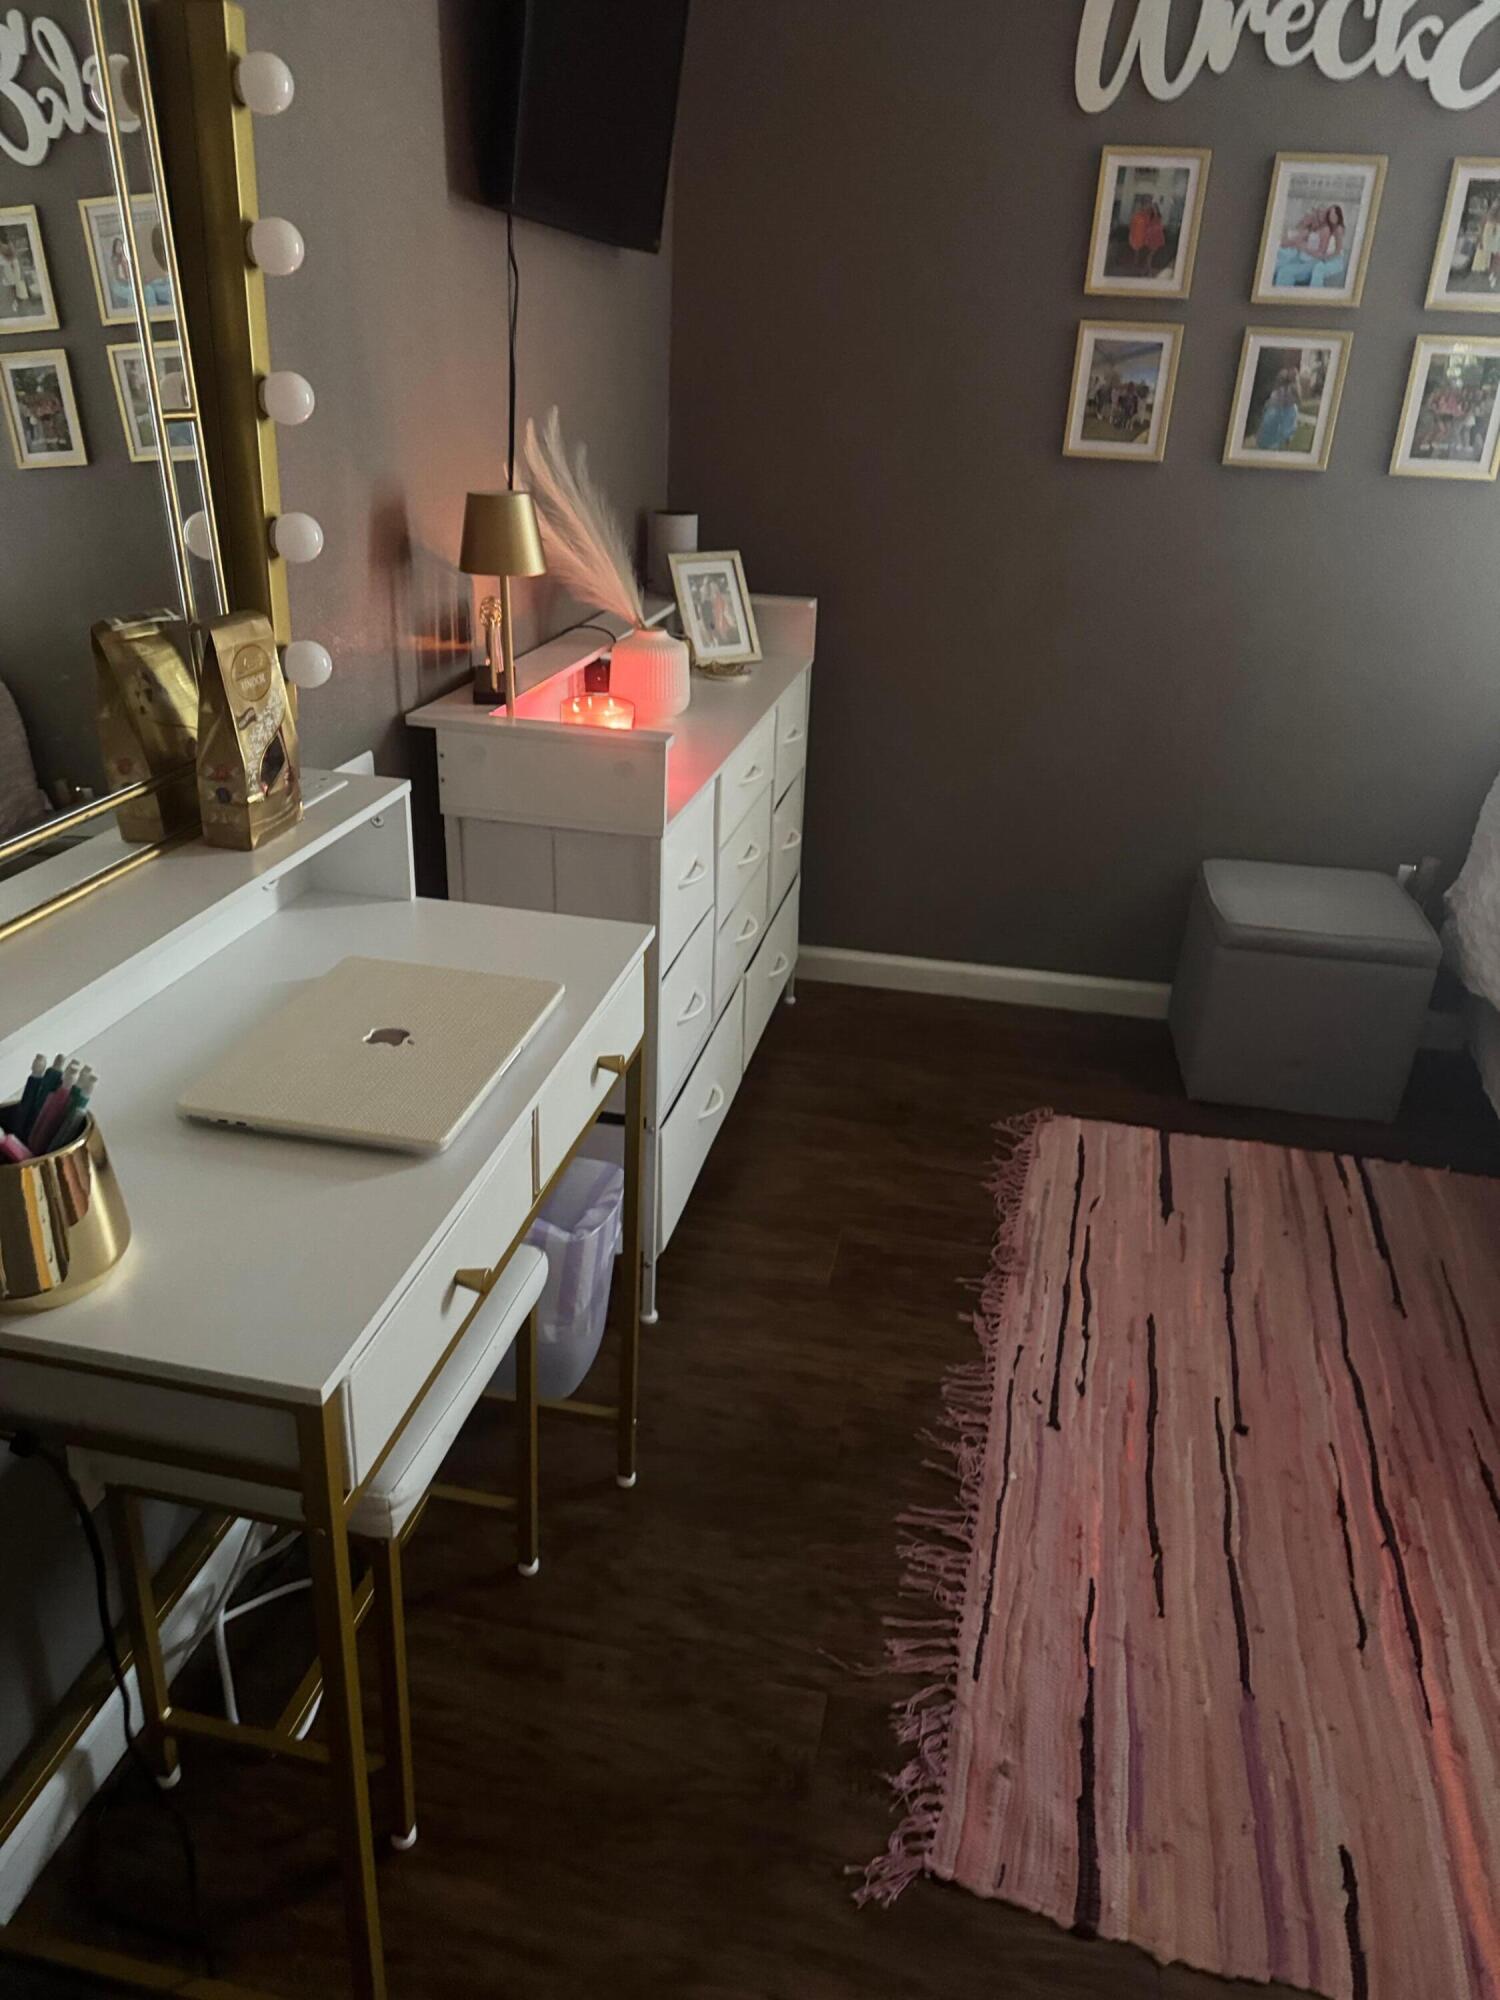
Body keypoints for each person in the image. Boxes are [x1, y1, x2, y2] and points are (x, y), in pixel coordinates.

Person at [1256, 367, 1301, 451]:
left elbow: (1297, 399)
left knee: (1286, 429)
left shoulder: (1292, 388)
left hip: (1287, 410)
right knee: (1272, 426)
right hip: (1278, 409)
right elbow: (1273, 401)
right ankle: (1268, 444)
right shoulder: (1278, 391)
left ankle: (1282, 445)